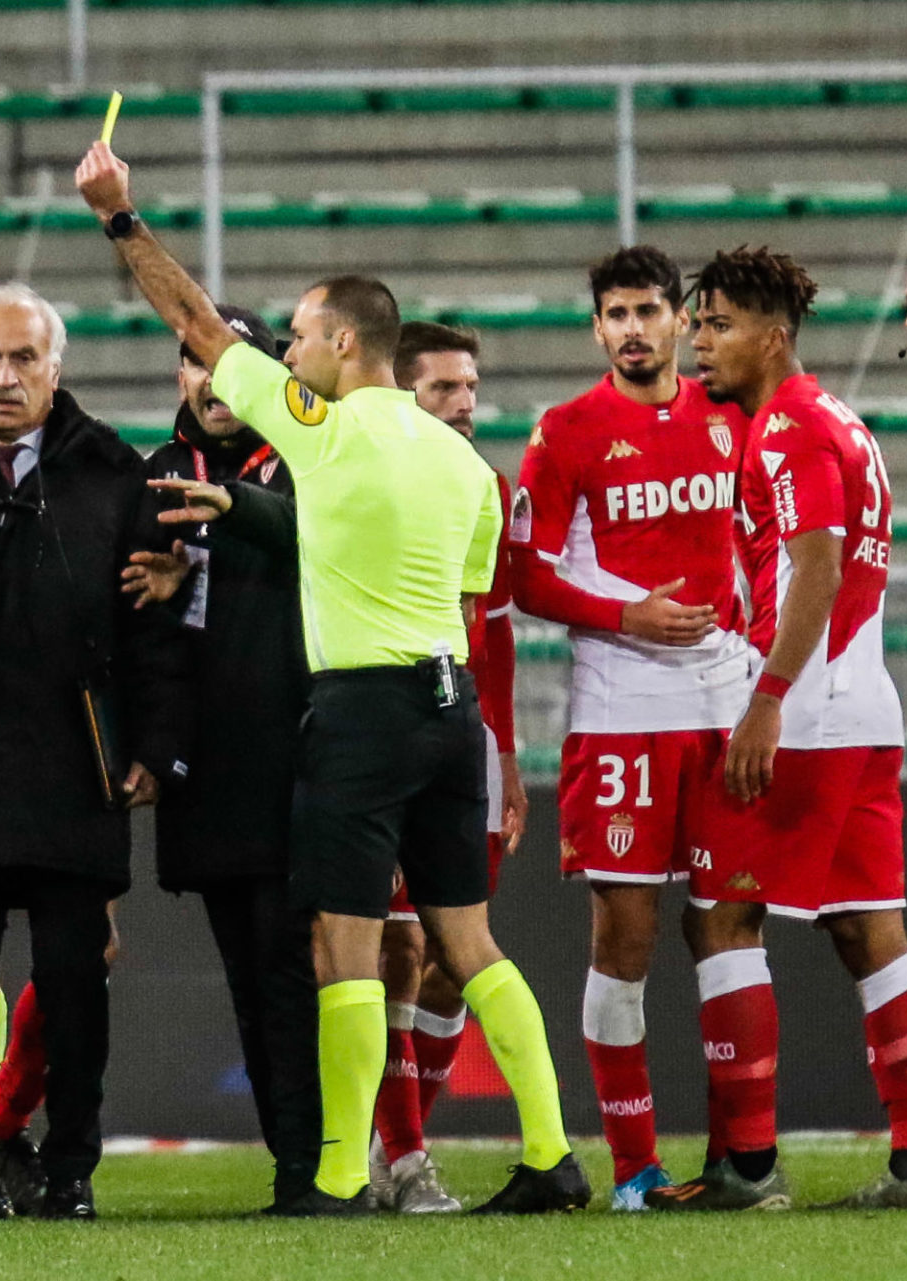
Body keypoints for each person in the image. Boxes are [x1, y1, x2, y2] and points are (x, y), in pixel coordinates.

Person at [74, 138, 584, 1215]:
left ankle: (342, 1177)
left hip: (361, 712)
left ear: (344, 343)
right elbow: (462, 601)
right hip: (452, 710)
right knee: (471, 941)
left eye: (301, 334)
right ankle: (551, 1154)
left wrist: (121, 216)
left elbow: (199, 330)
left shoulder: (322, 430)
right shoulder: (464, 465)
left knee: (341, 946)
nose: (289, 350)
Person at [654, 248, 907, 1211]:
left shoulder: (789, 432)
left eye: (717, 324)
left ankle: (751, 1166)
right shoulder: (845, 424)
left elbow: (814, 566)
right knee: (871, 930)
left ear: (773, 335)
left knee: (718, 915)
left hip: (802, 712)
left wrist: (765, 699)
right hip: (866, 706)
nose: (698, 340)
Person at [0, 285, 190, 1221]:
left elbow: (150, 628)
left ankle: (70, 1170)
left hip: (80, 769)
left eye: (22, 358)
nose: (2, 376)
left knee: (76, 990)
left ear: (55, 368)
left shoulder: (113, 472)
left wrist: (153, 743)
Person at [510, 246, 754, 1210]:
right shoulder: (565, 433)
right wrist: (628, 616)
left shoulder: (730, 417)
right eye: (616, 313)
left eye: (650, 310)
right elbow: (526, 576)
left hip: (724, 706)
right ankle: (636, 1166)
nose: (634, 329)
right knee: (626, 935)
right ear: (597, 328)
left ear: (678, 317)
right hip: (619, 717)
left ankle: (743, 1157)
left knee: (729, 928)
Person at [120, 304, 320, 1213]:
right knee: (251, 969)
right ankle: (299, 1164)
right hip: (205, 762)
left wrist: (204, 560)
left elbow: (317, 552)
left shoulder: (312, 460)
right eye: (195, 362)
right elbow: (132, 622)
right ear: (178, 378)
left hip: (299, 751)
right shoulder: (155, 475)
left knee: (293, 966)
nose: (210, 381)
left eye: (228, 362)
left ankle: (317, 1165)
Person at [369, 322, 523, 1214]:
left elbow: (492, 633)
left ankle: (399, 1147)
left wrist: (504, 756)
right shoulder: (370, 480)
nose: (465, 403)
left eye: (471, 386)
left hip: (469, 748)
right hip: (389, 744)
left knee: (450, 962)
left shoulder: (485, 486)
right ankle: (406, 1150)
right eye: (443, 389)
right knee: (401, 945)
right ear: (402, 393)